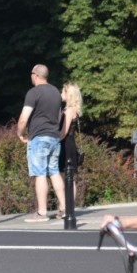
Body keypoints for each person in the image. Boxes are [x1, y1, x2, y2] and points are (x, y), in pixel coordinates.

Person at [17, 64, 65, 222]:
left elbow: (24, 117)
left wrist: (20, 133)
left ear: (35, 75)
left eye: (31, 73)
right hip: (54, 137)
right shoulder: (56, 92)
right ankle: (64, 209)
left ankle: (42, 213)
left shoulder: (34, 92)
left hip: (38, 137)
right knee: (54, 171)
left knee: (40, 173)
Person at [58, 82, 83, 212]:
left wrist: (53, 139)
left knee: (66, 177)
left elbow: (63, 132)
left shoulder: (69, 111)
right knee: (68, 176)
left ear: (69, 94)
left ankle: (67, 207)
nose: (61, 94)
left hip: (66, 145)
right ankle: (67, 206)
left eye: (63, 91)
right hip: (70, 144)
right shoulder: (72, 110)